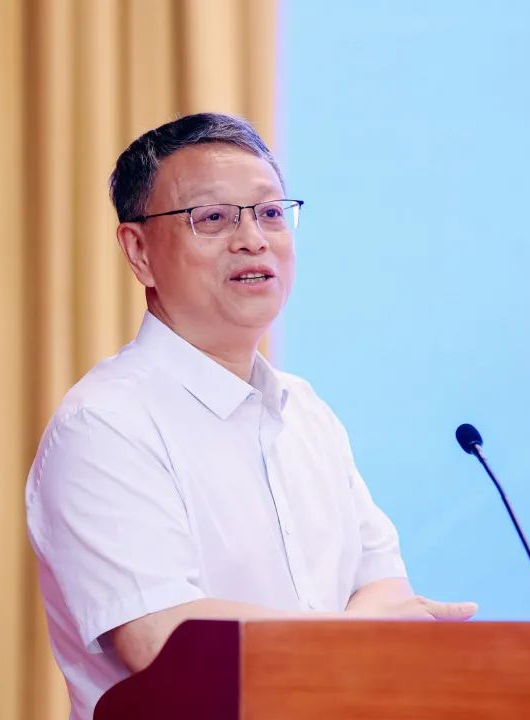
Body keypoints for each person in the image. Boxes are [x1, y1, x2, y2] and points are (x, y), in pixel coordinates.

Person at [24, 112, 477, 719]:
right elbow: (163, 639)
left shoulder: (306, 413)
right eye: (213, 218)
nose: (253, 239)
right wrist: (352, 635)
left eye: (269, 213)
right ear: (139, 251)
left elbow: (385, 588)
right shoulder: (104, 425)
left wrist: (367, 625)